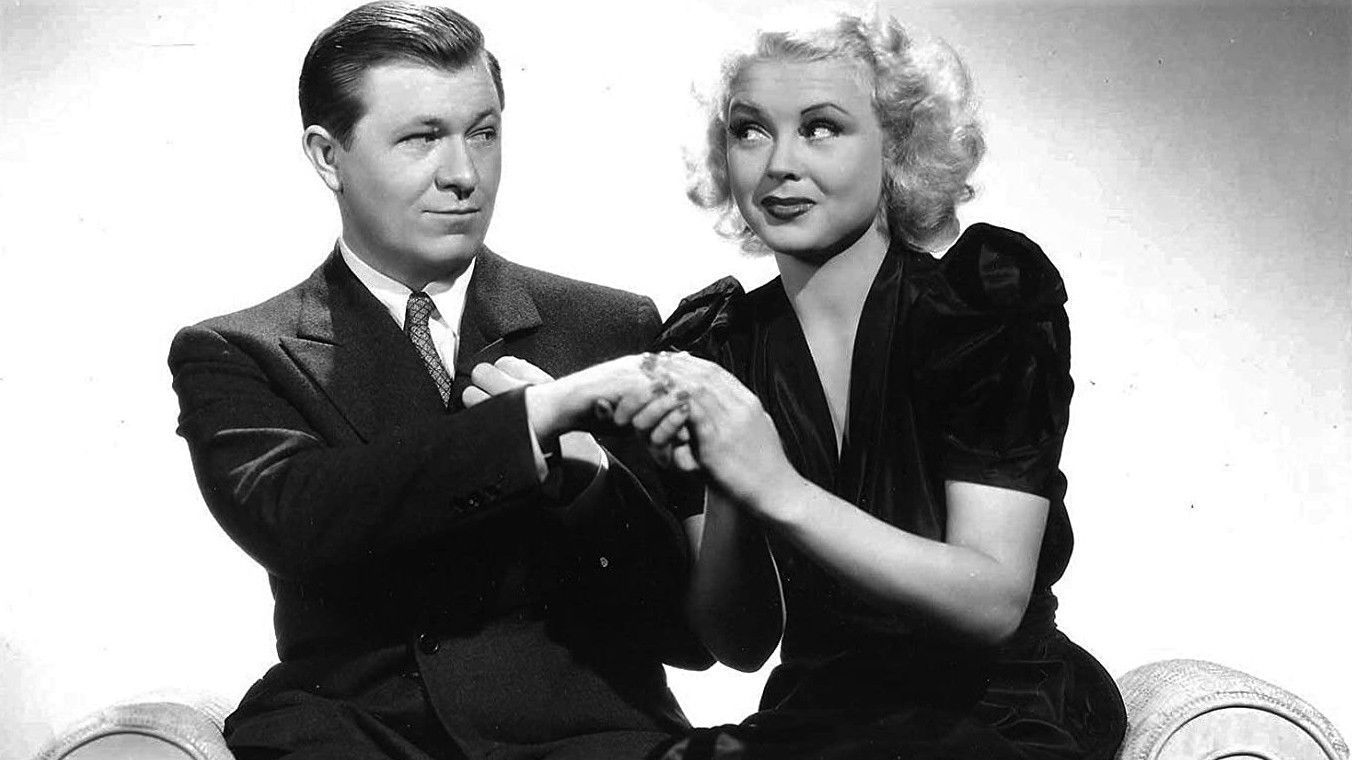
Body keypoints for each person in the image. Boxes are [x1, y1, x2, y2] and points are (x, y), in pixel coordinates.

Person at [167, 3, 709, 759]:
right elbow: (303, 519)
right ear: (327, 157)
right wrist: (533, 419)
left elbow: (690, 632)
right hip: (359, 737)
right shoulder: (237, 350)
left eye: (482, 133)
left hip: (592, 736)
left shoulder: (610, 323)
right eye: (421, 138)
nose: (463, 175)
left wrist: (590, 486)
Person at [599, 12, 1129, 760]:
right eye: (750, 130)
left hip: (998, 712)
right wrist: (730, 485)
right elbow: (740, 644)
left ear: (898, 147)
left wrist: (777, 486)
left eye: (821, 128)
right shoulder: (714, 344)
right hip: (820, 716)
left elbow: (992, 602)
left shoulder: (982, 307)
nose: (779, 164)